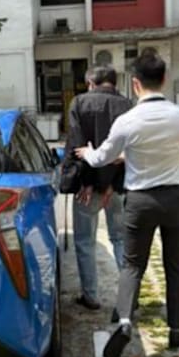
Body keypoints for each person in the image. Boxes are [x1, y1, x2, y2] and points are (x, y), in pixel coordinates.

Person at [75, 52, 179, 357]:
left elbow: (101, 158)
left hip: (141, 199)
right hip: (176, 197)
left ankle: (125, 320)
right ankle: (177, 328)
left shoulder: (127, 121)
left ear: (135, 83)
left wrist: (86, 152)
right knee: (176, 265)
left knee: (133, 263)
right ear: (164, 79)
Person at [61, 65, 131, 310]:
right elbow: (130, 150)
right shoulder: (128, 106)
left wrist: (88, 182)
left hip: (87, 189)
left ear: (91, 82)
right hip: (117, 187)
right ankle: (129, 299)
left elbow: (77, 145)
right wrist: (113, 184)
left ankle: (91, 296)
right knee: (121, 239)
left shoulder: (79, 103)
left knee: (84, 242)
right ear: (114, 82)